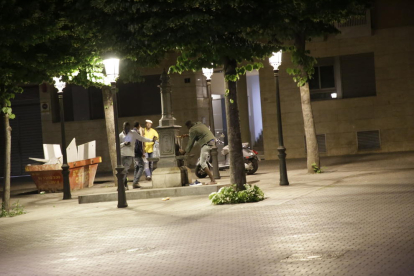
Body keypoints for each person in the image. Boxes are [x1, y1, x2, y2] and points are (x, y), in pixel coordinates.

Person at [120, 122, 155, 190]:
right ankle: (124, 184)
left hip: (130, 154)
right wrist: (124, 144)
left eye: (127, 127)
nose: (126, 129)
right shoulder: (120, 135)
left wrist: (151, 140)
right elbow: (116, 145)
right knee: (124, 170)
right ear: (123, 128)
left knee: (126, 169)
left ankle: (124, 184)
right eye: (125, 127)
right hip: (122, 154)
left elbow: (141, 138)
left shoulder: (133, 133)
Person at [179, 121, 217, 185]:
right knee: (203, 161)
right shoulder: (199, 124)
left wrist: (184, 151)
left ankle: (213, 180)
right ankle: (212, 179)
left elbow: (190, 143)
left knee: (202, 163)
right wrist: (187, 135)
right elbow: (199, 134)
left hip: (206, 143)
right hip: (212, 141)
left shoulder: (192, 130)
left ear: (188, 126)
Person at [132, 121, 145, 189]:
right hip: (137, 153)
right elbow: (138, 145)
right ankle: (135, 182)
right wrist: (141, 152)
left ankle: (135, 182)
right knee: (141, 166)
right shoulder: (137, 133)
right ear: (138, 126)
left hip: (133, 153)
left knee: (136, 167)